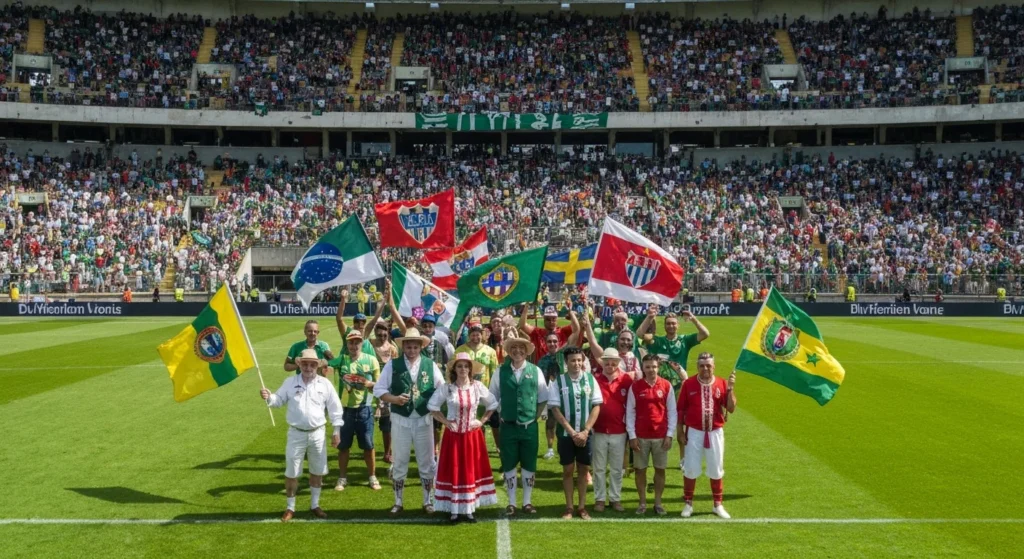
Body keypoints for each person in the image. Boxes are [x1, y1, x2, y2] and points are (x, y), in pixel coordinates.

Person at [260, 349, 344, 522]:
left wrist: (336, 431)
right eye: (304, 364)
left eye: (312, 364)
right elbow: (278, 400)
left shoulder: (325, 384)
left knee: (317, 471)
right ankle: (290, 507)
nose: (308, 367)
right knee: (292, 472)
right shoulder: (290, 382)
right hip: (296, 434)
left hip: (318, 433)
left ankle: (315, 505)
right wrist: (269, 397)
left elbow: (336, 409)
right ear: (299, 364)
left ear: (317, 366)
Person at [373, 327, 446, 517]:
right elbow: (379, 389)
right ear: (403, 346)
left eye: (415, 347)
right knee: (400, 460)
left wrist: (432, 404)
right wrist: (395, 399)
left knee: (427, 461)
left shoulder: (430, 364)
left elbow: (442, 389)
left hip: (423, 419)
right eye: (409, 346)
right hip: (400, 419)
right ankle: (398, 501)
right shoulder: (393, 365)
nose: (412, 350)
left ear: (421, 347)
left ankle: (427, 500)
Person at [428, 352, 499, 523]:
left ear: (470, 369)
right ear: (454, 369)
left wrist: (482, 421)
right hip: (453, 437)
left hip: (471, 436)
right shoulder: (448, 388)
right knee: (454, 469)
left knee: (469, 470)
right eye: (459, 366)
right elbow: (432, 405)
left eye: (466, 366)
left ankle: (468, 509)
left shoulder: (477, 387)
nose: (463, 369)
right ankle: (454, 510)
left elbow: (493, 403)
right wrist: (445, 421)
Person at [637, 306, 709, 468]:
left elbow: (705, 334)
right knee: (658, 421)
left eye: (673, 324)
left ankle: (684, 459)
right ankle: (653, 458)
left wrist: (693, 318)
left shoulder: (685, 340)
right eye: (668, 324)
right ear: (665, 326)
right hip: (661, 389)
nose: (671, 326)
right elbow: (640, 335)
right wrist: (649, 317)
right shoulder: (658, 341)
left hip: (681, 388)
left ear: (678, 325)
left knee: (681, 425)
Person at [489, 330, 549, 516]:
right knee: (508, 464)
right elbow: (492, 397)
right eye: (513, 348)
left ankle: (527, 501)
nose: (517, 351)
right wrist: (501, 413)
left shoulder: (535, 370)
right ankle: (512, 502)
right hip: (507, 426)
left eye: (521, 348)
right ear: (508, 351)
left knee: (529, 464)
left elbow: (543, 397)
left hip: (529, 427)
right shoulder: (500, 371)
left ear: (526, 351)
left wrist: (535, 417)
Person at [678, 352, 736, 519]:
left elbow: (730, 408)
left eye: (708, 365)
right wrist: (680, 431)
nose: (705, 368)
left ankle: (717, 504)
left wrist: (731, 388)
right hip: (694, 432)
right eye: (702, 365)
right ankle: (688, 503)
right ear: (697, 366)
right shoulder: (688, 384)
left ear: (714, 366)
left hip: (715, 432)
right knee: (690, 468)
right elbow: (681, 409)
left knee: (716, 468)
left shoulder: (722, 383)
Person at [548, 347, 602, 520]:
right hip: (566, 434)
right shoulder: (559, 381)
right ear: (566, 362)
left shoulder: (590, 379)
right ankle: (569, 507)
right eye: (573, 360)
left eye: (579, 360)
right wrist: (572, 432)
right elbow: (555, 409)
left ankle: (582, 507)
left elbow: (596, 406)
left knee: (584, 469)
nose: (576, 363)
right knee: (568, 470)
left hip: (585, 434)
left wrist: (585, 430)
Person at [327, 329, 382, 492]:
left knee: (368, 445)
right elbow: (325, 366)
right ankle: (342, 478)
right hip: (344, 410)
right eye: (351, 342)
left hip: (365, 409)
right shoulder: (342, 360)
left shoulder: (371, 360)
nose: (354, 345)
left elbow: (379, 387)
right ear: (347, 344)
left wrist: (368, 384)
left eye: (357, 342)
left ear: (362, 343)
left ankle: (372, 477)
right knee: (343, 446)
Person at [626, 354, 676, 516]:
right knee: (640, 470)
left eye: (654, 366)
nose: (651, 370)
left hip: (661, 436)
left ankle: (658, 503)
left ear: (658, 367)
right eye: (647, 367)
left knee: (660, 470)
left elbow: (672, 412)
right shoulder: (635, 387)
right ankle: (642, 503)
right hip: (640, 436)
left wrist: (669, 434)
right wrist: (632, 436)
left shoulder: (666, 386)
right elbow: (630, 412)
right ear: (643, 368)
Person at [592, 347, 632, 513]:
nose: (609, 365)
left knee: (616, 468)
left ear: (617, 363)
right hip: (599, 430)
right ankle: (600, 499)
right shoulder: (595, 379)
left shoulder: (626, 380)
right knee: (599, 467)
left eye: (612, 362)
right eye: (606, 362)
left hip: (619, 430)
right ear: (602, 362)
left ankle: (615, 498)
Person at [454, 321, 501, 451]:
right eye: (473, 335)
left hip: (486, 391)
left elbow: (495, 372)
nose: (476, 338)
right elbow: (453, 370)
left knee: (494, 422)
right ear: (469, 335)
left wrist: (495, 392)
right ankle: (479, 448)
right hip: (467, 392)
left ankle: (499, 448)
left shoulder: (490, 351)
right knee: (475, 421)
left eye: (478, 335)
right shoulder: (461, 350)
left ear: (483, 335)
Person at [370, 320, 398, 464]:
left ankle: (388, 452)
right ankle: (368, 450)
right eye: (379, 335)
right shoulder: (370, 345)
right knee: (368, 420)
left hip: (387, 388)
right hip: (371, 387)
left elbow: (396, 368)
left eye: (384, 335)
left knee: (387, 423)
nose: (382, 338)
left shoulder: (392, 348)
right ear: (375, 333)